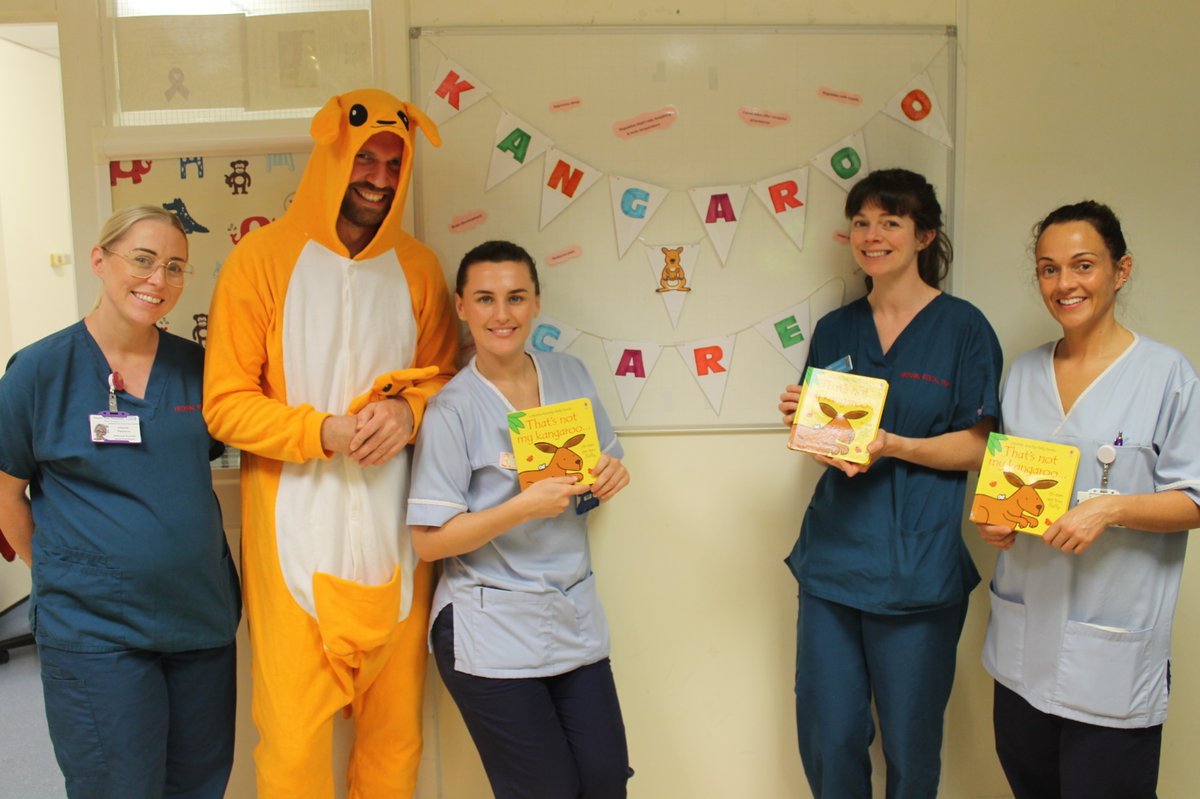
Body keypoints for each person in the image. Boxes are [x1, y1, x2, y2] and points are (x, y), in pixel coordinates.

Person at [203, 89, 458, 798]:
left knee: (394, 742)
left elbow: (448, 380)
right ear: (334, 153)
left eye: (392, 162)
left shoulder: (419, 269)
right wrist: (323, 431)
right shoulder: (258, 261)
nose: (377, 177)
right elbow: (225, 404)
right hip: (293, 540)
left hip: (396, 540)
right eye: (365, 158)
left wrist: (409, 413)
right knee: (290, 749)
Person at [0, 205, 241, 798]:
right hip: (94, 629)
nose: (158, 280)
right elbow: (6, 493)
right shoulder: (37, 372)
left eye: (175, 267)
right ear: (99, 261)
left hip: (199, 619)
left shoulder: (199, 370)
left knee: (198, 783)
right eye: (142, 260)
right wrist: (61, 568)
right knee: (117, 785)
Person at [777, 168, 1002, 798]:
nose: (872, 236)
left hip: (917, 569)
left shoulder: (963, 329)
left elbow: (981, 444)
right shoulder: (836, 330)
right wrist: (807, 424)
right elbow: (832, 445)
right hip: (832, 564)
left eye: (890, 223)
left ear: (924, 235)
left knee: (910, 745)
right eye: (862, 223)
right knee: (829, 734)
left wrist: (894, 444)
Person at [978, 201, 1200, 799]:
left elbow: (1196, 499)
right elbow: (1010, 483)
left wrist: (1113, 507)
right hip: (1024, 645)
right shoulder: (1023, 373)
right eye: (1048, 269)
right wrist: (996, 524)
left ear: (1120, 270)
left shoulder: (1165, 374)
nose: (1064, 284)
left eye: (1082, 265)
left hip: (1111, 651)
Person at [407, 240, 632, 799]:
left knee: (605, 782)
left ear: (536, 303)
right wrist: (520, 507)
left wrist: (609, 477)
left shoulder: (569, 373)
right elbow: (429, 543)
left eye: (516, 297)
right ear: (462, 307)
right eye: (485, 299)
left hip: (570, 611)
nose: (501, 314)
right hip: (490, 622)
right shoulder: (453, 408)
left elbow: (606, 459)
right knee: (546, 791)